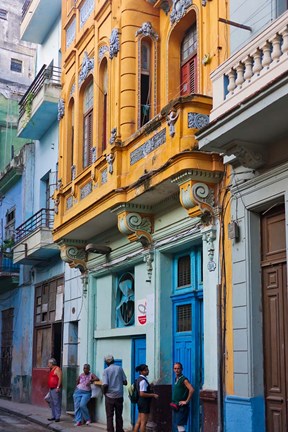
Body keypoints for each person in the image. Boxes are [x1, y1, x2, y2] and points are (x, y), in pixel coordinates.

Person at [102, 355, 127, 432]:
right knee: (119, 415)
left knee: (109, 416)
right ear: (113, 361)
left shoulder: (106, 371)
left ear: (106, 362)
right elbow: (125, 382)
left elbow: (105, 384)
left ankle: (110, 430)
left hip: (109, 396)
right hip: (119, 396)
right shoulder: (119, 368)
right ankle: (119, 430)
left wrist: (104, 393)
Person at [133, 364, 159, 432]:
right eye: (145, 370)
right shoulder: (143, 381)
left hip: (140, 402)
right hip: (144, 403)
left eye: (147, 370)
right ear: (141, 372)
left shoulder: (139, 379)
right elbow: (142, 393)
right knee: (143, 423)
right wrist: (153, 395)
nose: (147, 371)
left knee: (139, 421)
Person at [171, 362, 194, 432]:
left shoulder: (184, 379)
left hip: (182, 407)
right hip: (176, 405)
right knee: (178, 425)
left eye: (178, 368)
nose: (176, 370)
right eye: (175, 368)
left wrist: (186, 401)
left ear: (181, 369)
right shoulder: (176, 379)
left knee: (180, 425)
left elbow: (192, 389)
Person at [47, 358, 62, 422]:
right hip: (51, 388)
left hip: (55, 388)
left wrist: (58, 387)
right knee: (52, 402)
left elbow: (60, 378)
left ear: (51, 363)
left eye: (49, 363)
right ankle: (53, 416)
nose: (48, 364)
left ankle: (57, 416)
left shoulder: (57, 369)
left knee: (56, 402)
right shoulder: (51, 369)